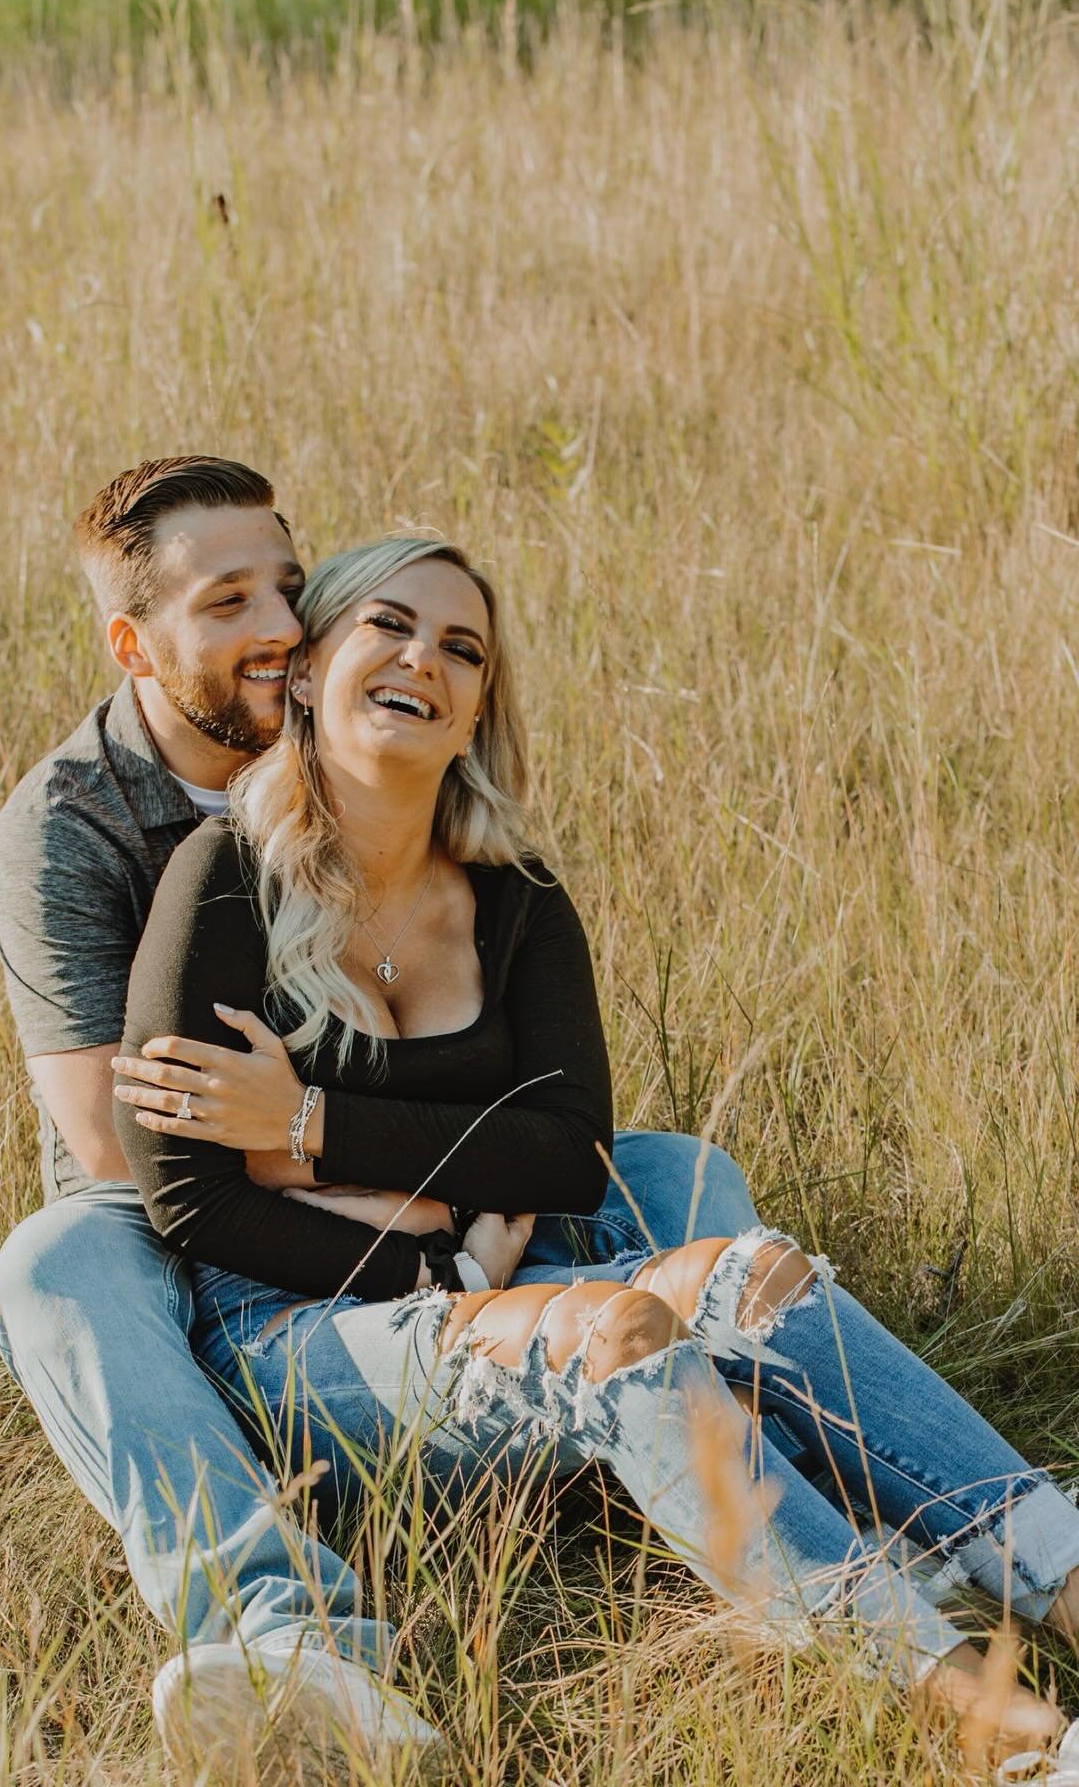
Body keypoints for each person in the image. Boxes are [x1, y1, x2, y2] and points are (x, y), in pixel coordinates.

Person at [111, 532, 1079, 1766]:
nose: (425, 659)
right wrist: (450, 1264)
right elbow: (193, 1204)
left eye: (463, 649)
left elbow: (570, 1156)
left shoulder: (519, 900)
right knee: (617, 1328)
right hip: (293, 1338)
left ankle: (1063, 1581)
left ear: (474, 712)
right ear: (307, 674)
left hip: (508, 1282)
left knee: (756, 1273)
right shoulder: (222, 881)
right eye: (389, 627)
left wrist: (310, 1127)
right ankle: (1014, 1738)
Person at [0, 458, 763, 1771]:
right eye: (225, 601)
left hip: (398, 1180)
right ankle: (283, 1631)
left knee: (677, 1174)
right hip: (202, 1247)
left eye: (289, 587)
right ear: (135, 646)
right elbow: (121, 1142)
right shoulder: (71, 827)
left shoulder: (368, 742)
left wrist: (357, 1145)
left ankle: (735, 1477)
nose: (278, 628)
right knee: (56, 1257)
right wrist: (424, 1216)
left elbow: (513, 1079)